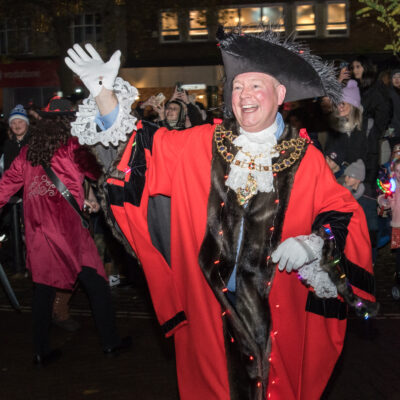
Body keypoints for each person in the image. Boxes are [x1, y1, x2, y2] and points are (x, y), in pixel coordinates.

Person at [65, 28, 377, 400]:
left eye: (255, 86)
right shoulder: (202, 143)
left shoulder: (305, 158)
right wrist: (103, 94)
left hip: (278, 317)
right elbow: (140, 146)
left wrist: (315, 244)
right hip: (208, 314)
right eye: (237, 86)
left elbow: (344, 213)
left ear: (279, 94)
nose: (244, 96)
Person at [0, 98, 131, 366]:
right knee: (96, 285)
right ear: (69, 121)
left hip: (38, 232)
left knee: (43, 290)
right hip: (69, 231)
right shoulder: (74, 147)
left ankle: (40, 350)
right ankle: (110, 342)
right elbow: (103, 170)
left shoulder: (28, 152)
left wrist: (86, 192)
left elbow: (4, 188)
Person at [343, 159, 378, 262]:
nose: (346, 178)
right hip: (347, 234)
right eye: (346, 175)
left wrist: (372, 233)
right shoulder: (342, 192)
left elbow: (371, 216)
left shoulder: (367, 197)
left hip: (362, 234)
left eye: (350, 176)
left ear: (358, 179)